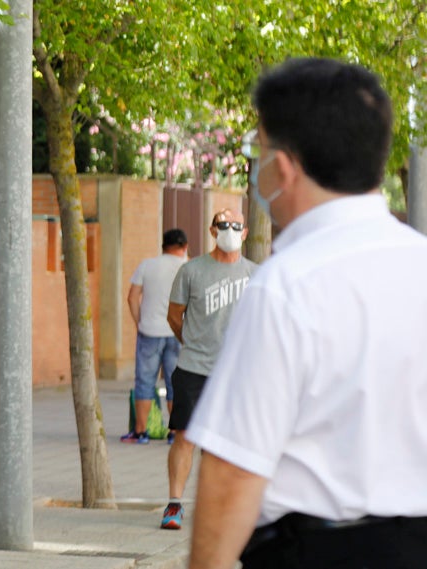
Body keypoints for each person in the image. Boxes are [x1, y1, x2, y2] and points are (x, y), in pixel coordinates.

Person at [188, 58, 427, 569]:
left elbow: (231, 472)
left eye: (259, 149)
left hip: (318, 551)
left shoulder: (286, 285)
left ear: (286, 165)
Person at [161, 208, 257, 530]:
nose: (230, 229)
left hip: (236, 373)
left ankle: (217, 505)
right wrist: (191, 341)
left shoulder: (257, 274)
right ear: (213, 230)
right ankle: (174, 505)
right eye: (223, 224)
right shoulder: (191, 271)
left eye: (236, 225)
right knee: (185, 437)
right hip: (194, 368)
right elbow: (175, 316)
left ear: (244, 233)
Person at [121, 228, 189, 445]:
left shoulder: (147, 265)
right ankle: (174, 432)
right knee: (175, 382)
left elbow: (132, 297)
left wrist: (139, 321)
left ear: (163, 246)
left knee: (145, 381)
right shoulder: (188, 267)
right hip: (177, 332)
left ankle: (140, 432)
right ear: (185, 247)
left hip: (149, 330)